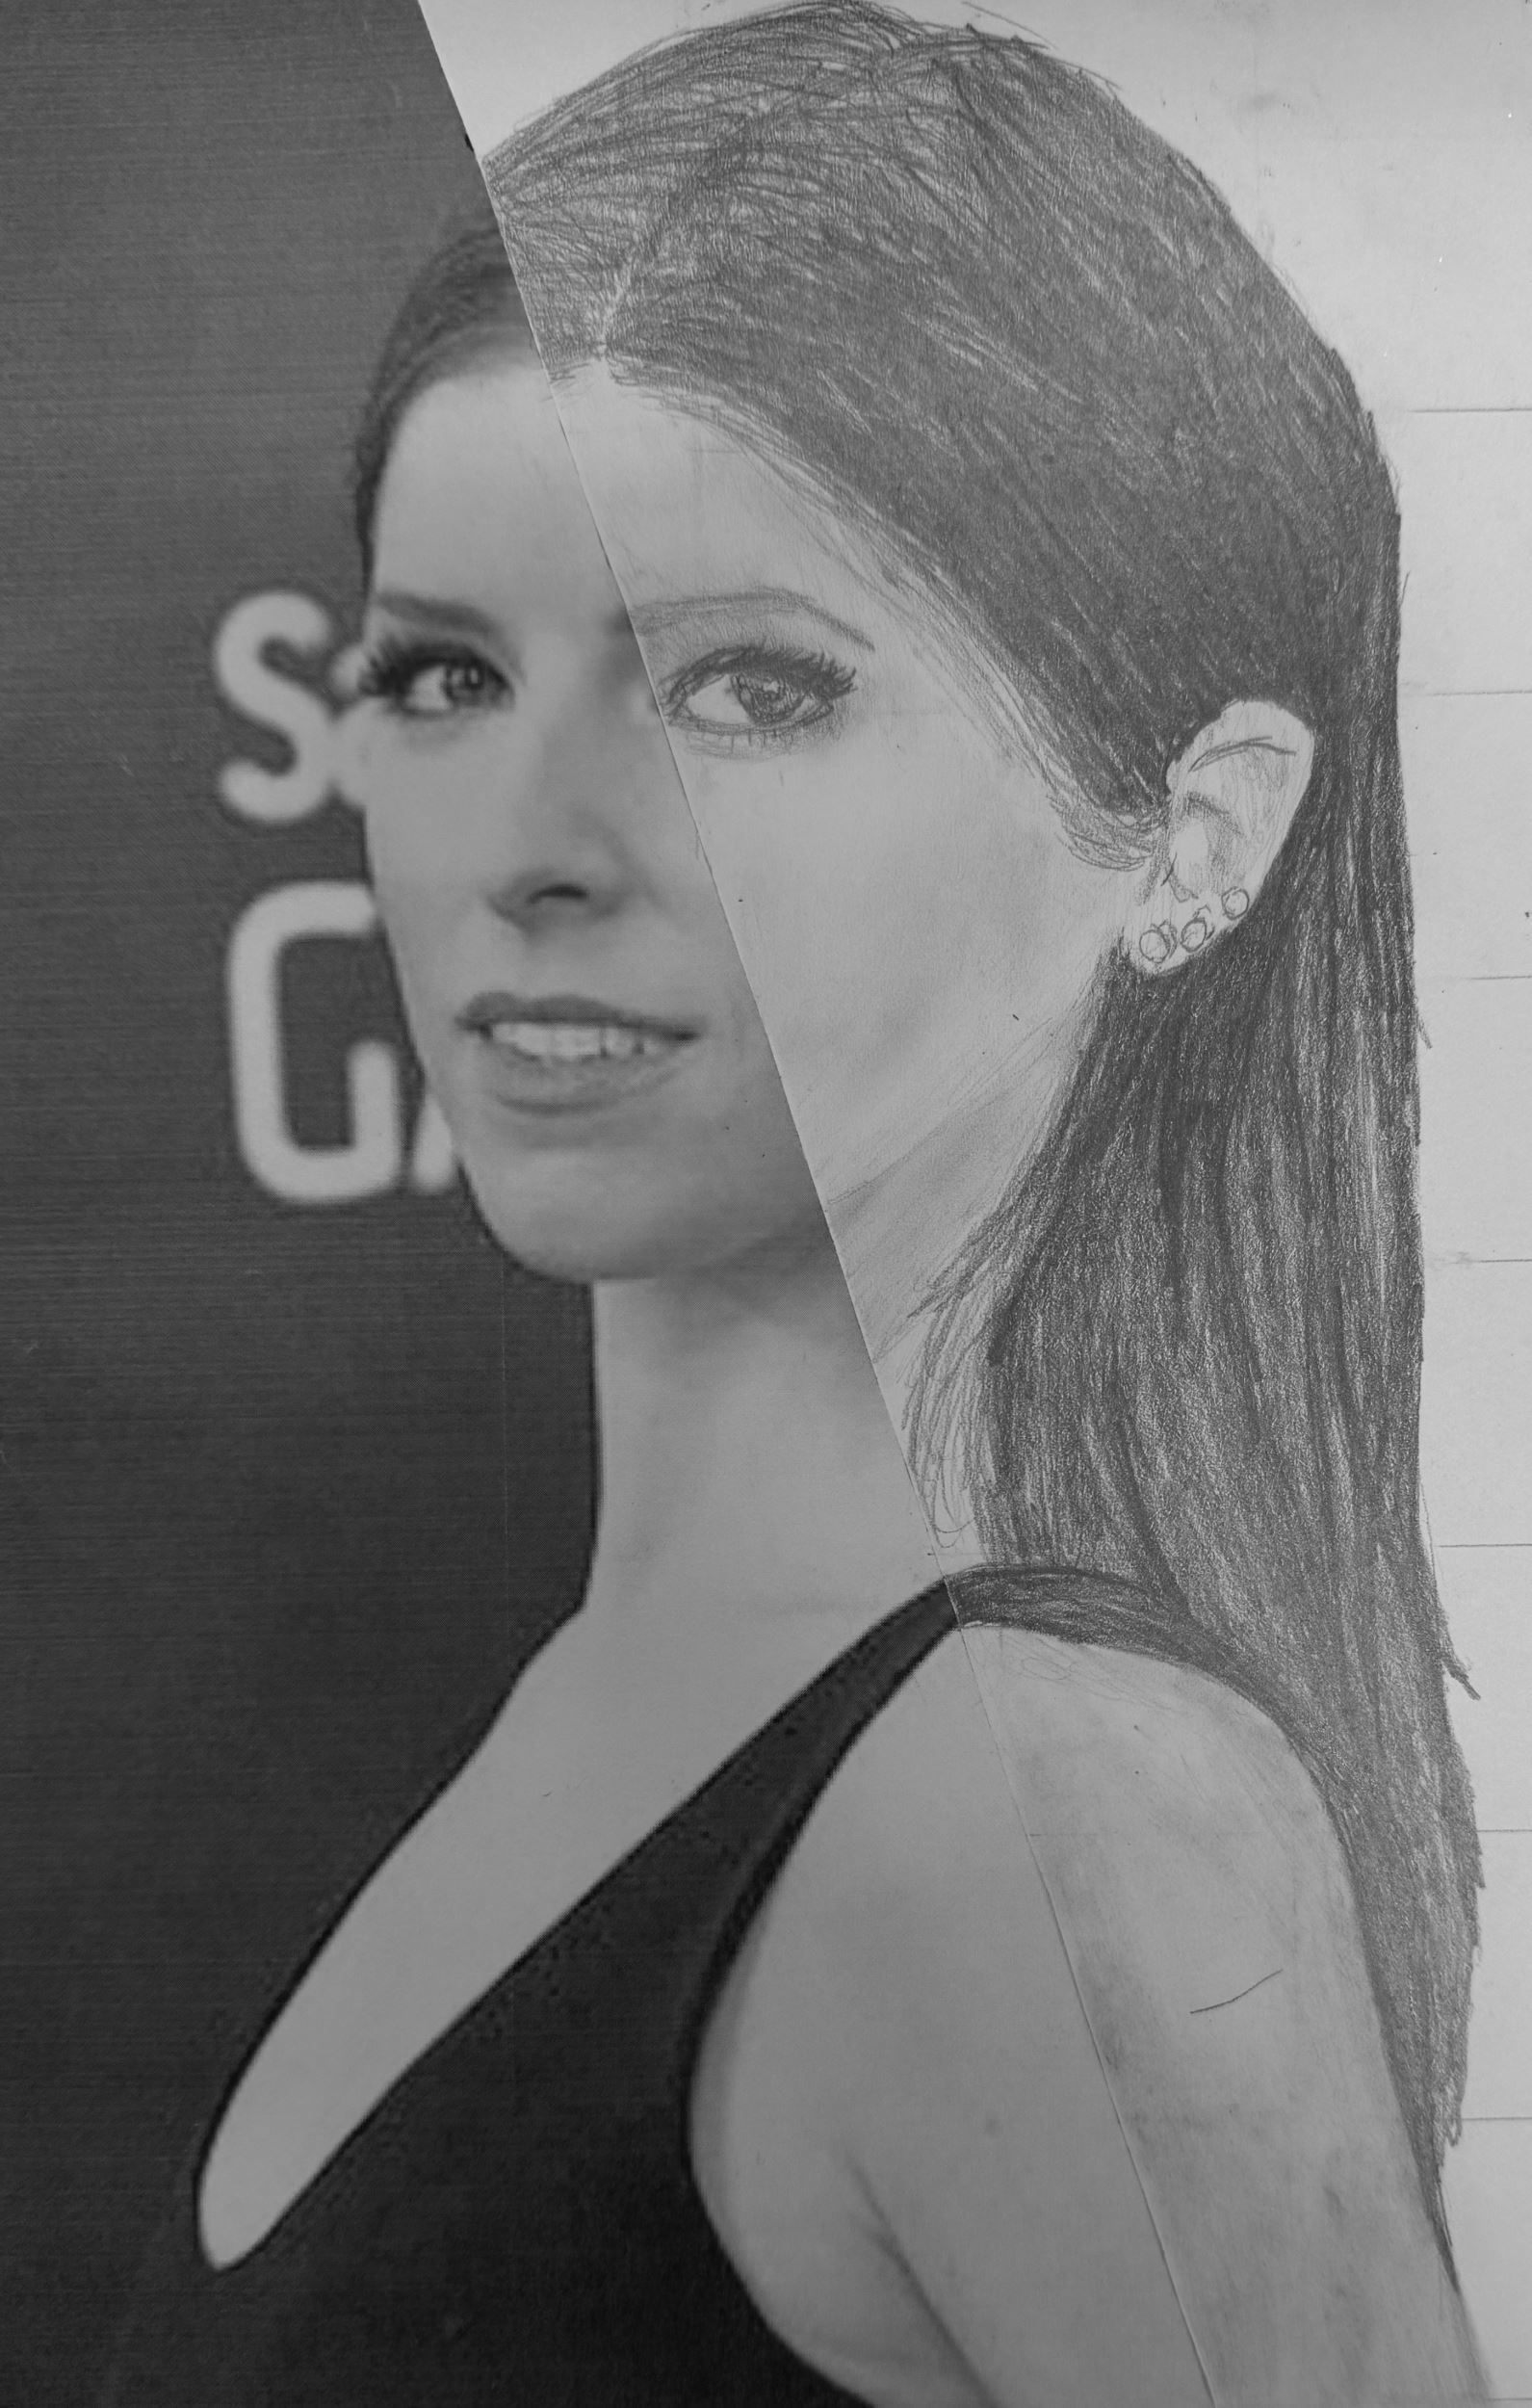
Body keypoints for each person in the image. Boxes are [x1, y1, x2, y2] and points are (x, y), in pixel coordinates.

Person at [106, 7, 1486, 2402]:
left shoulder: (1055, 1817)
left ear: (1192, 835)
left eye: (746, 687)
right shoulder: (608, 1709)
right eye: (440, 675)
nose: (529, 843)